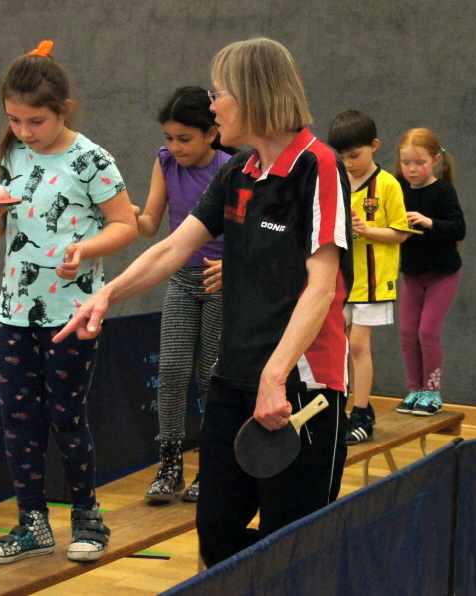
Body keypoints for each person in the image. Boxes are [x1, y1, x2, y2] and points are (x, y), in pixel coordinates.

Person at [55, 37, 352, 567]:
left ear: (253, 93)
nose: (212, 106)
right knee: (216, 536)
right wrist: (107, 293)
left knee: (295, 546)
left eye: (219, 93)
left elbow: (322, 285)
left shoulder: (317, 167)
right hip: (234, 380)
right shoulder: (238, 172)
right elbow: (172, 247)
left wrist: (274, 375)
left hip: (300, 386)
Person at [0, 41, 137, 564]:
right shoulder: (8, 155)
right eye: (14, 120)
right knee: (18, 420)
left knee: (66, 415)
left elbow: (125, 225)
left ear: (62, 110)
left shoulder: (91, 159)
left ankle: (87, 516)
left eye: (35, 121)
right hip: (14, 313)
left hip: (74, 312)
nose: (24, 131)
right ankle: (31, 523)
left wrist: (83, 250)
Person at [135, 86, 233, 503]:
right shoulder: (164, 163)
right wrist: (114, 211)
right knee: (173, 371)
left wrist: (234, 267)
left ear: (212, 133)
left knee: (211, 376)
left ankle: (213, 467)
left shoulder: (232, 168)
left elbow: (246, 232)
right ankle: (170, 464)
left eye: (185, 139)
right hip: (181, 279)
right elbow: (149, 223)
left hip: (220, 284)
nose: (175, 147)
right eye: (169, 138)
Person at [327, 110, 412, 443]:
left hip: (375, 278)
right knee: (340, 346)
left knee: (359, 345)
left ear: (374, 146)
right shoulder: (337, 182)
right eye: (343, 157)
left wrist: (368, 230)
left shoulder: (388, 185)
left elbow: (401, 232)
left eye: (354, 156)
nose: (348, 163)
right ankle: (344, 409)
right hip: (342, 280)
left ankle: (361, 413)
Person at [394, 128, 466, 416]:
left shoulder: (443, 191)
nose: (411, 169)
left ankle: (432, 391)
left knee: (427, 331)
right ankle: (414, 390)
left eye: (418, 163)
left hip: (442, 274)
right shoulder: (398, 189)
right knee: (408, 332)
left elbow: (459, 228)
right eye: (406, 163)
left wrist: (428, 222)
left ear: (436, 160)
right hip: (412, 273)